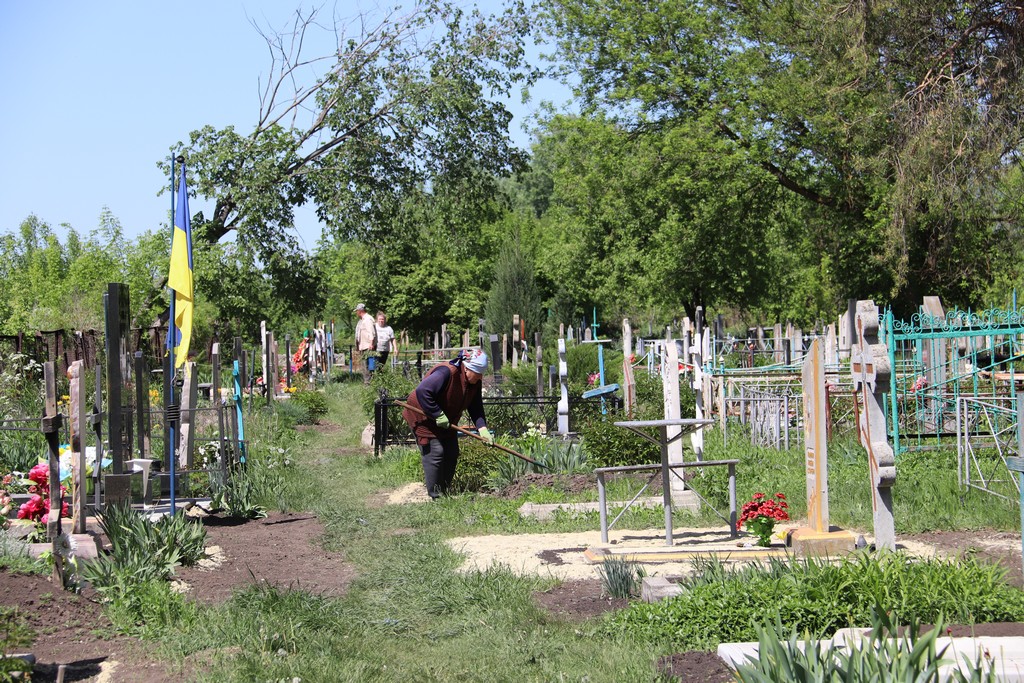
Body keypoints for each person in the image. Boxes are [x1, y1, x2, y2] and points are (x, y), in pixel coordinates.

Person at [401, 349, 494, 500]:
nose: (480, 377)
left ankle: (444, 492)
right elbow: (423, 391)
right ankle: (436, 496)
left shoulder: (474, 381)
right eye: (478, 373)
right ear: (467, 368)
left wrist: (482, 429)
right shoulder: (446, 372)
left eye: (481, 374)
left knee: (451, 452)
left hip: (446, 420)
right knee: (436, 452)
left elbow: (475, 407)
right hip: (423, 416)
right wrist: (437, 414)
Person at [353, 303, 377, 382]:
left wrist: (371, 344)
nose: (356, 313)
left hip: (368, 347)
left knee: (368, 366)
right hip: (364, 346)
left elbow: (371, 332)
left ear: (360, 311)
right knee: (364, 365)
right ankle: (368, 382)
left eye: (357, 311)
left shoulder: (368, 319)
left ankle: (368, 383)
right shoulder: (362, 320)